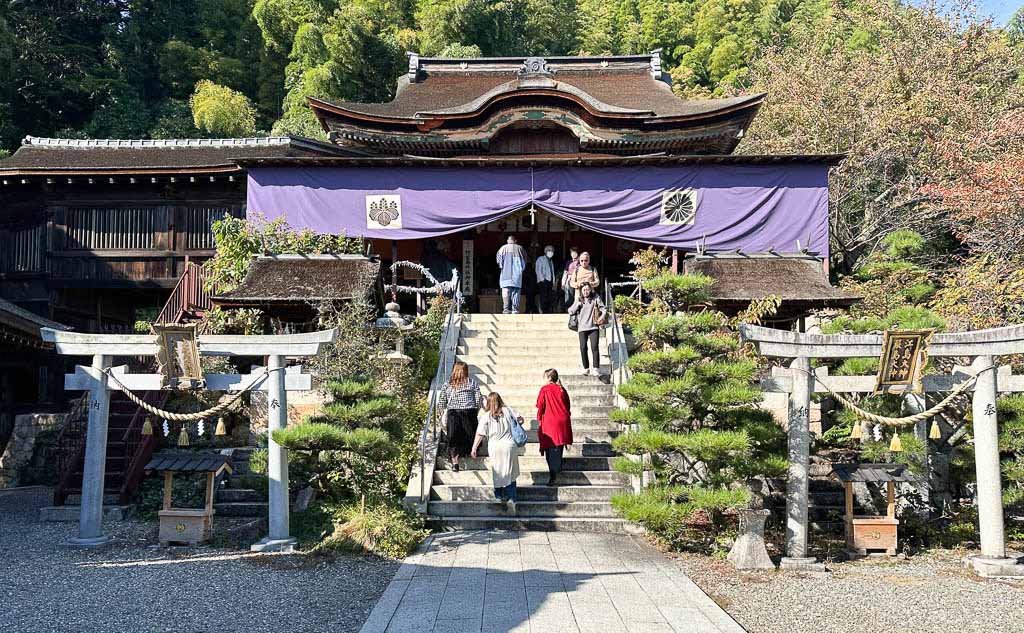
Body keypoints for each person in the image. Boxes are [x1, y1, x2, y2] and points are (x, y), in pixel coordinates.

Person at [472, 392, 523, 514]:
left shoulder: (486, 416)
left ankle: (499, 496)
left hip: (494, 446)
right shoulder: (508, 411)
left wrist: (474, 448)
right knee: (510, 472)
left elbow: (480, 434)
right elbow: (521, 420)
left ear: (488, 403)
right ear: (500, 400)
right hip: (509, 445)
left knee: (497, 471)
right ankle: (511, 498)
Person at [437, 361, 483, 472]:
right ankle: (470, 452)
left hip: (453, 413)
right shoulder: (472, 382)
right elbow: (478, 400)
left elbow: (442, 401)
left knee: (453, 438)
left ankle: (455, 462)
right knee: (469, 434)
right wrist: (476, 409)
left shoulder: (447, 384)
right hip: (469, 413)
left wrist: (441, 412)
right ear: (466, 371)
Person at [536, 368, 572, 486]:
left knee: (549, 446)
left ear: (549, 378)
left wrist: (539, 416)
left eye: (545, 377)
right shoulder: (562, 389)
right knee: (559, 444)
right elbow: (568, 405)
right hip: (562, 420)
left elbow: (540, 405)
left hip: (550, 421)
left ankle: (553, 473)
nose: (544, 380)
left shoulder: (545, 389)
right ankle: (557, 466)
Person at [568, 284, 606, 376]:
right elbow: (570, 311)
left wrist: (602, 316)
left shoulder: (595, 298)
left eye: (587, 290)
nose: (586, 292)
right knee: (583, 348)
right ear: (581, 291)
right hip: (582, 328)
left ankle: (596, 368)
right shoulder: (579, 299)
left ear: (590, 290)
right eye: (584, 290)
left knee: (594, 348)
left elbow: (603, 308)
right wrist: (577, 304)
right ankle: (586, 368)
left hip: (593, 327)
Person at [496, 235, 527, 314]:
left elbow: (498, 259)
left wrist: (502, 266)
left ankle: (506, 309)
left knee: (505, 291)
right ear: (515, 240)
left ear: (508, 240)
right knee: (516, 291)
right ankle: (515, 309)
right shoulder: (520, 248)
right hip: (517, 274)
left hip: (506, 273)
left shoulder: (503, 248)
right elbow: (524, 260)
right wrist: (521, 269)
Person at [535, 245, 557, 313]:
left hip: (550, 281)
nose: (551, 252)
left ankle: (548, 311)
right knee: (543, 297)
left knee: (549, 298)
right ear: (545, 251)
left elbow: (552, 272)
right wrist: (543, 280)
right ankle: (543, 311)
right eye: (549, 250)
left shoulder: (551, 261)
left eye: (552, 250)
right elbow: (538, 270)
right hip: (543, 281)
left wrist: (553, 282)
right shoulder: (541, 259)